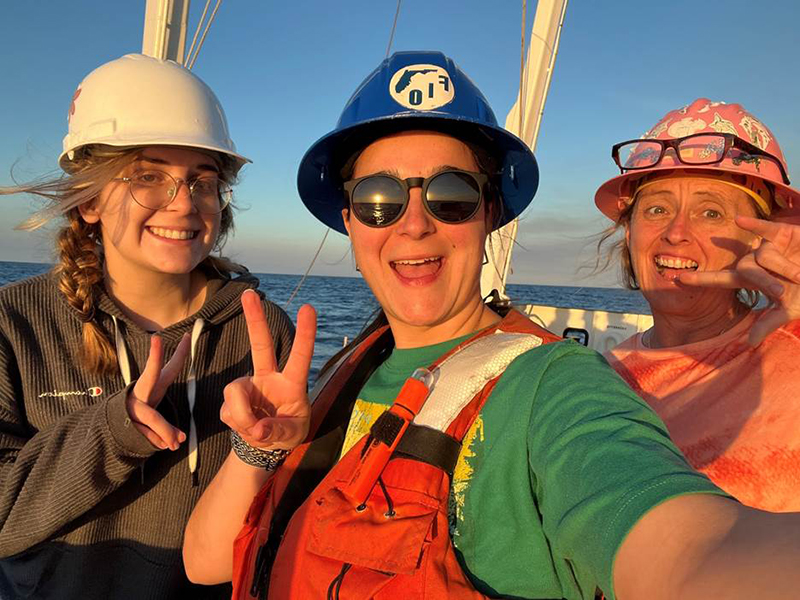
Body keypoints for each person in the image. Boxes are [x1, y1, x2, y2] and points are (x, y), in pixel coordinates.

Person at [184, 53, 800, 600]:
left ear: (491, 215)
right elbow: (206, 563)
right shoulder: (350, 368)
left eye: (451, 196)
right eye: (379, 199)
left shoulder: (557, 386)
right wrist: (259, 446)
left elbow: (685, 549)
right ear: (350, 220)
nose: (414, 224)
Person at [0, 54, 294, 599]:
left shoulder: (260, 330)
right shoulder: (14, 325)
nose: (183, 204)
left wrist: (271, 448)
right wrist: (111, 431)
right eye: (147, 177)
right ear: (89, 199)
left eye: (202, 182)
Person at [595, 98, 800, 512]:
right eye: (656, 209)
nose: (676, 232)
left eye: (710, 212)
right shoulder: (598, 379)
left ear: (762, 239)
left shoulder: (792, 347)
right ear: (629, 232)